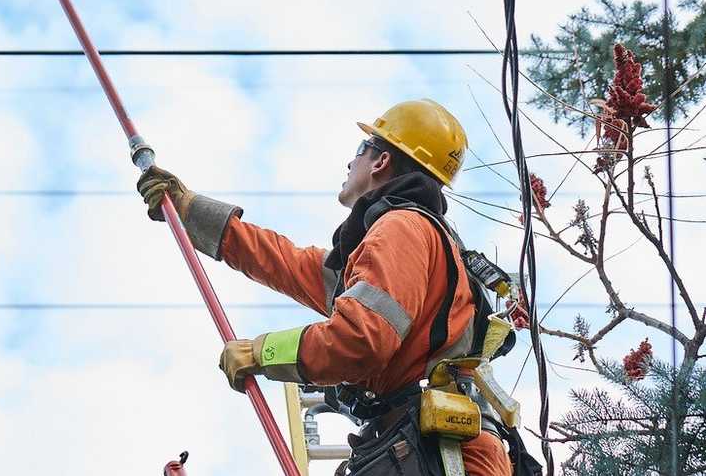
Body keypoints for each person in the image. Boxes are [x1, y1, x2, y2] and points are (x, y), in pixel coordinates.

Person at [137, 99, 529, 476]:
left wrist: (263, 351)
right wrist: (190, 210)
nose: (350, 160)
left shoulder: (401, 230)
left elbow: (361, 338)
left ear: (381, 160)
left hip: (438, 456)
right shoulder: (411, 243)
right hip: (426, 448)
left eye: (362, 148)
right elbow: (284, 260)